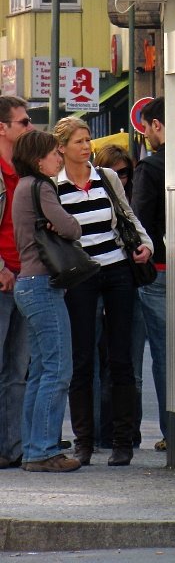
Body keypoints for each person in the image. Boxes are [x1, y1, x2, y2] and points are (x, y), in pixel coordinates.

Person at [54, 118, 153, 467]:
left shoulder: (106, 178)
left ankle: (122, 441)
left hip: (117, 269)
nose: (86, 146)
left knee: (121, 355)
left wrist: (145, 245)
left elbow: (128, 217)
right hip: (80, 273)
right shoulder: (54, 186)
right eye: (79, 141)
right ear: (62, 147)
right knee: (82, 357)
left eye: (88, 139)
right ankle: (84, 442)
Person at [12, 130, 82, 472]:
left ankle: (33, 447)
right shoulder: (41, 187)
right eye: (55, 153)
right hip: (42, 284)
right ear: (39, 159)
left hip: (27, 283)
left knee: (40, 370)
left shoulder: (23, 187)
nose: (59, 158)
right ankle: (44, 450)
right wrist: (65, 225)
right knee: (57, 369)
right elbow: (71, 228)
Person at [91, 144, 144, 450]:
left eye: (126, 173)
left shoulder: (131, 196)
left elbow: (138, 229)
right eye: (118, 172)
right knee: (95, 360)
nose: (122, 178)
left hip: (125, 280)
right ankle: (99, 432)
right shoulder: (98, 190)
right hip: (95, 278)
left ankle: (127, 431)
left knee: (126, 361)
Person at [131, 97, 167, 452]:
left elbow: (137, 223)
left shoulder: (151, 169)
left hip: (157, 271)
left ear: (156, 125)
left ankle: (172, 430)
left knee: (163, 352)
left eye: (146, 127)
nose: (145, 134)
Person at [0, 95, 33, 469]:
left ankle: (12, 448)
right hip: (4, 277)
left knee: (17, 371)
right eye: (23, 122)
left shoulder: (24, 170)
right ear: (3, 128)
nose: (29, 127)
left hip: (25, 279)